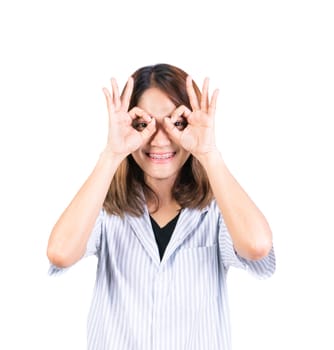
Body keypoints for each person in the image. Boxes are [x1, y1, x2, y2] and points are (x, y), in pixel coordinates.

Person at [47, 63, 275, 350]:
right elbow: (60, 253)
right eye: (143, 124)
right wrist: (112, 154)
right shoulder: (104, 207)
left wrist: (208, 153)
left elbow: (257, 246)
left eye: (176, 123)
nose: (159, 139)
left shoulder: (217, 211)